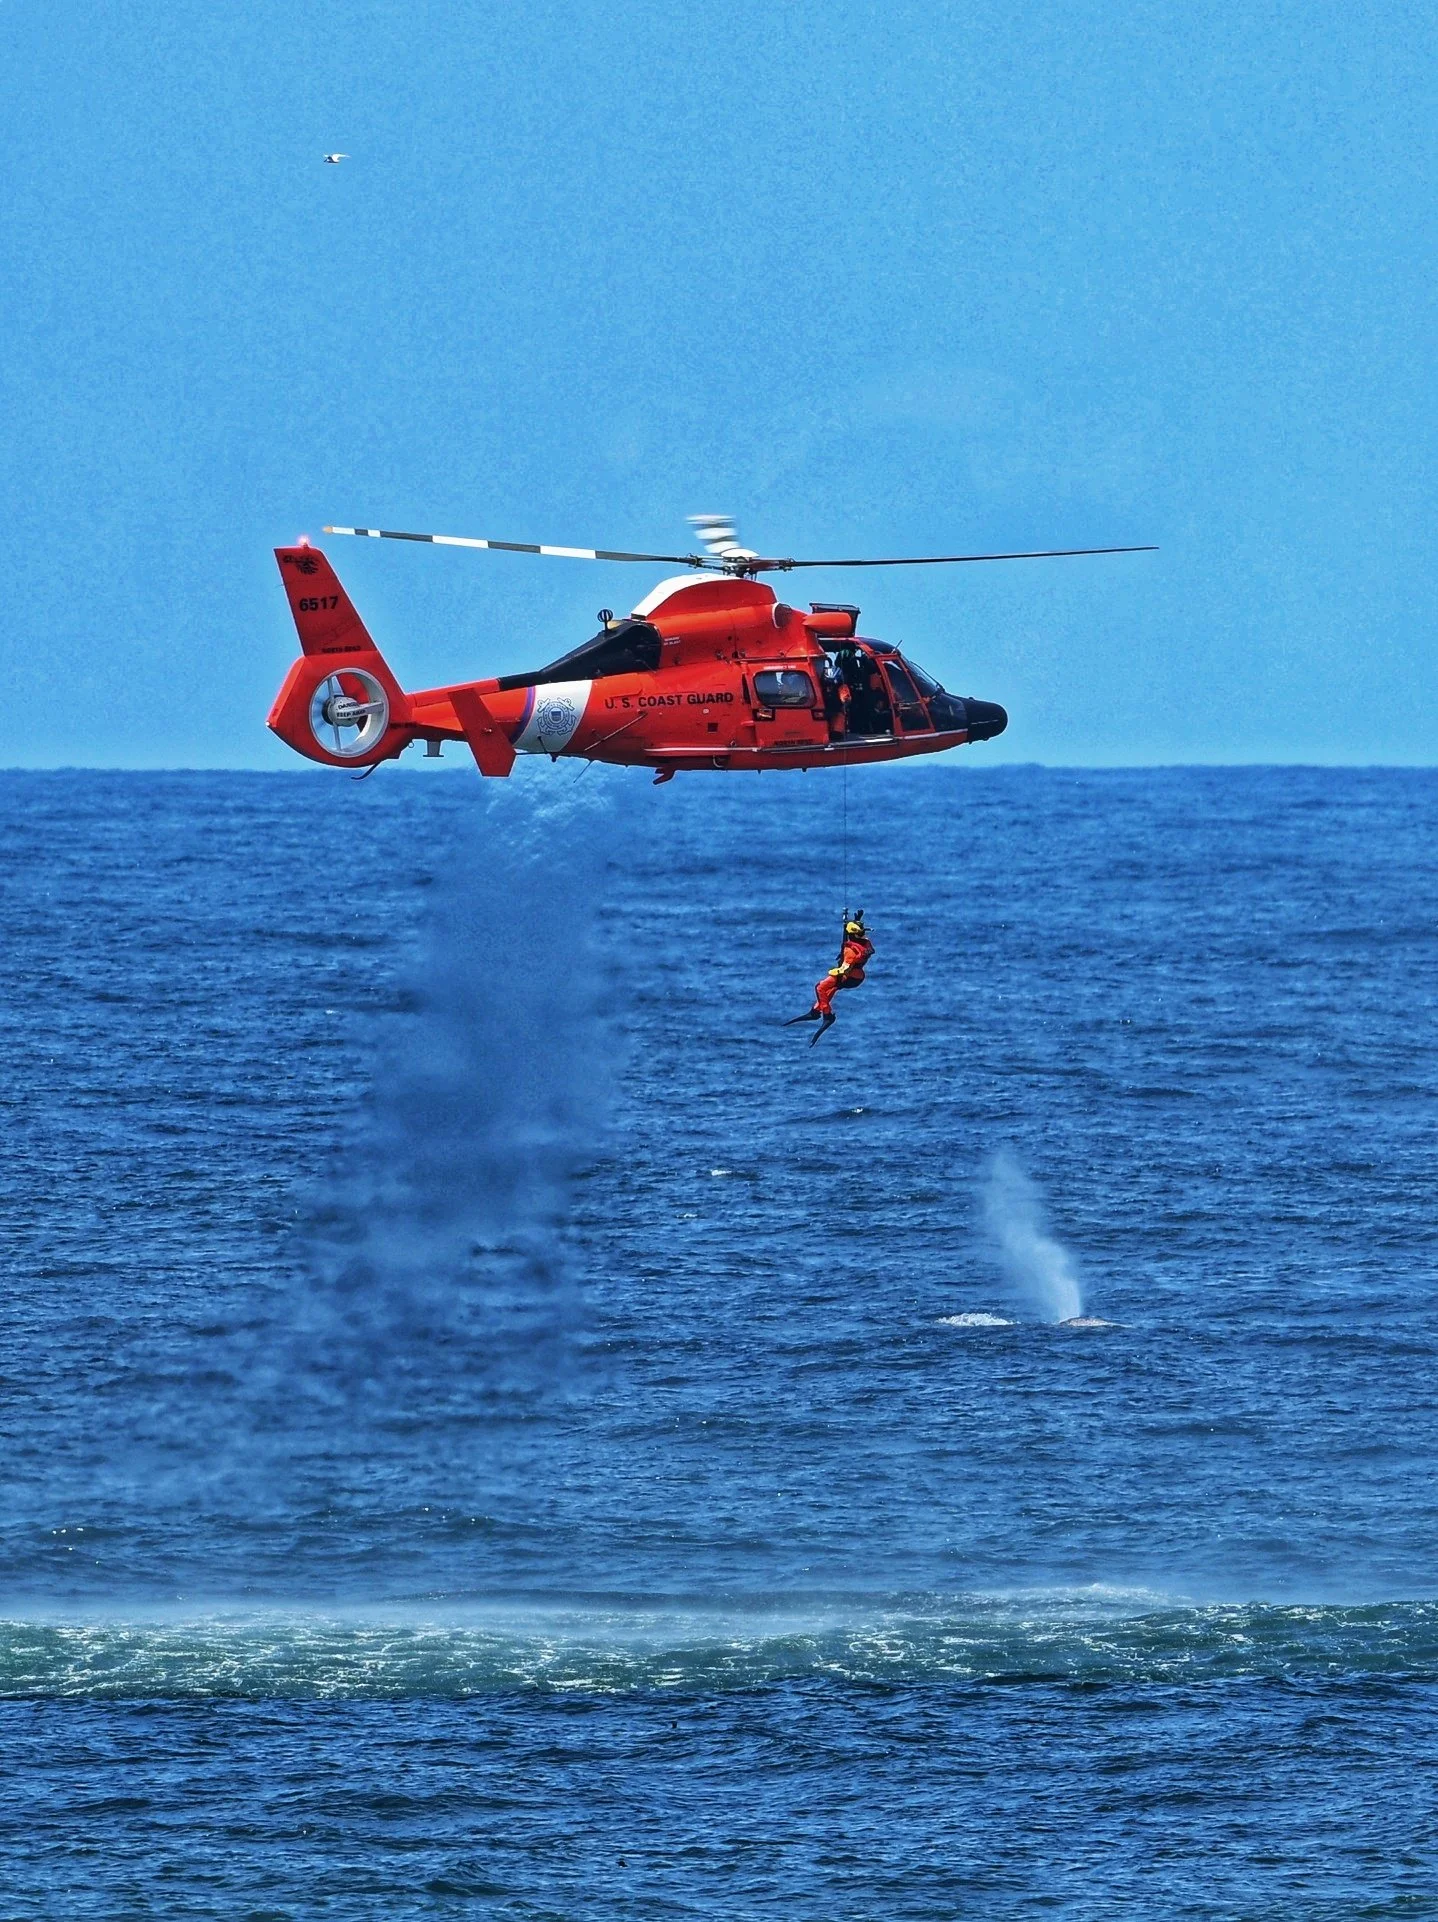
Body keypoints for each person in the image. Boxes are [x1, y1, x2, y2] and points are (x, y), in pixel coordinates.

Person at [786, 913, 875, 1043]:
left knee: (820, 987)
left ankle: (827, 1015)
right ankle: (816, 1010)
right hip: (859, 976)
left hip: (848, 976)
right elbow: (855, 937)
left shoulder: (850, 951)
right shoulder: (866, 943)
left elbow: (845, 969)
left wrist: (834, 971)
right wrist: (856, 920)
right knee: (831, 988)